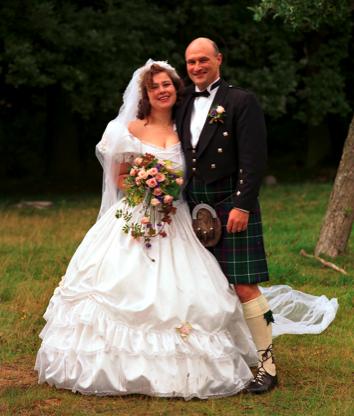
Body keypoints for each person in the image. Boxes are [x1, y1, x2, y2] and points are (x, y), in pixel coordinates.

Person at [35, 59, 338, 399]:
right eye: (155, 86)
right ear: (145, 93)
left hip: (178, 218)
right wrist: (147, 187)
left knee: (202, 290)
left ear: (175, 89)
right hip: (136, 218)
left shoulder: (188, 131)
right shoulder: (128, 129)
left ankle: (247, 360)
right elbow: (118, 177)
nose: (162, 90)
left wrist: (172, 190)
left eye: (167, 84)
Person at [175, 37, 274, 393]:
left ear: (219, 60)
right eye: (190, 62)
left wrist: (242, 204)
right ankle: (210, 357)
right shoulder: (184, 99)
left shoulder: (240, 100)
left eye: (203, 60)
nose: (197, 67)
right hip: (191, 206)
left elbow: (254, 157)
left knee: (244, 284)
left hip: (229, 202)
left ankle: (268, 364)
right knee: (201, 284)